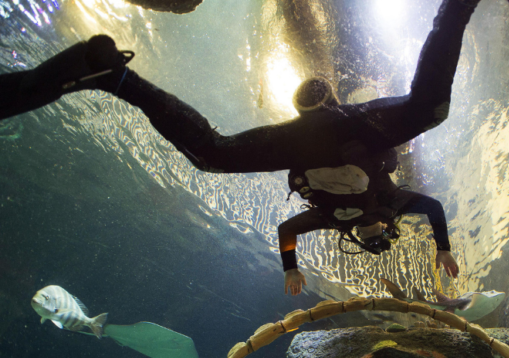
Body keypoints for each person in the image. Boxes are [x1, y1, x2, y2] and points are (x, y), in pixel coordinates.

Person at [0, 0, 482, 295]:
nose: (375, 233)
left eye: (371, 242)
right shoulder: (394, 202)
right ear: (390, 227)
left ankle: (116, 77)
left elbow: (287, 230)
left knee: (213, 155)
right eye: (383, 237)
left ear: (356, 239)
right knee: (430, 110)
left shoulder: (327, 218)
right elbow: (434, 206)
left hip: (301, 145)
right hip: (356, 131)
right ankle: (458, 4)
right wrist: (441, 248)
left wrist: (291, 269)